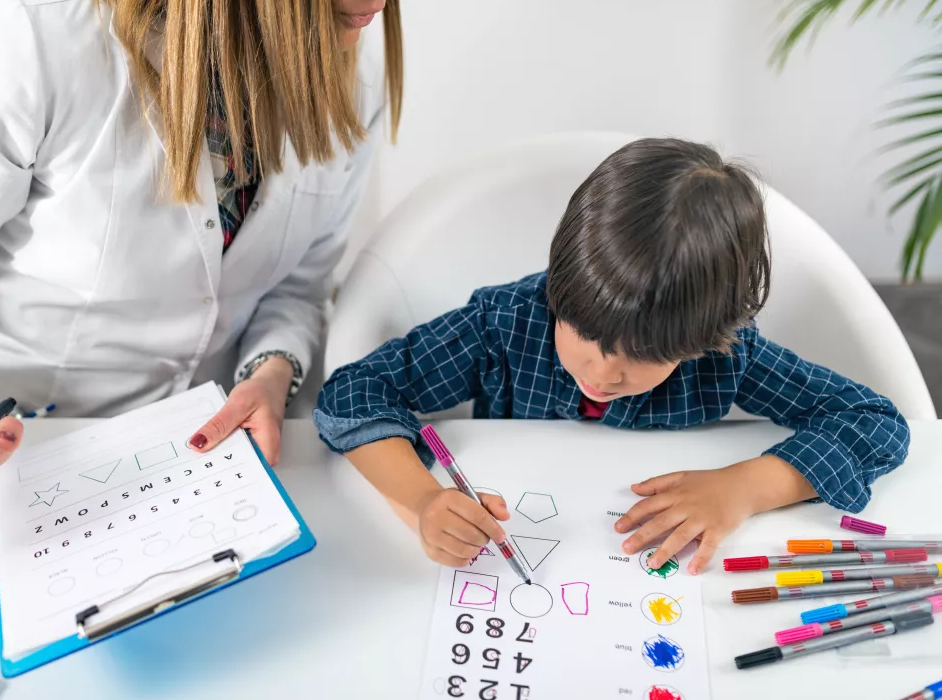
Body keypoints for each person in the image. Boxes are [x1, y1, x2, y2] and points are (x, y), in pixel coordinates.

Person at [0, 0, 408, 527]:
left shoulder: (352, 77)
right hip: (29, 451)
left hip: (219, 459)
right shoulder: (35, 45)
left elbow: (299, 287)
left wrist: (270, 373)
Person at [312, 138, 911, 574]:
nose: (603, 373)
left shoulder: (728, 358)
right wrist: (421, 502)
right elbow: (352, 393)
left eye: (642, 355)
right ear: (561, 289)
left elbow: (874, 423)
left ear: (705, 337)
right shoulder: (504, 324)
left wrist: (743, 488)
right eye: (587, 335)